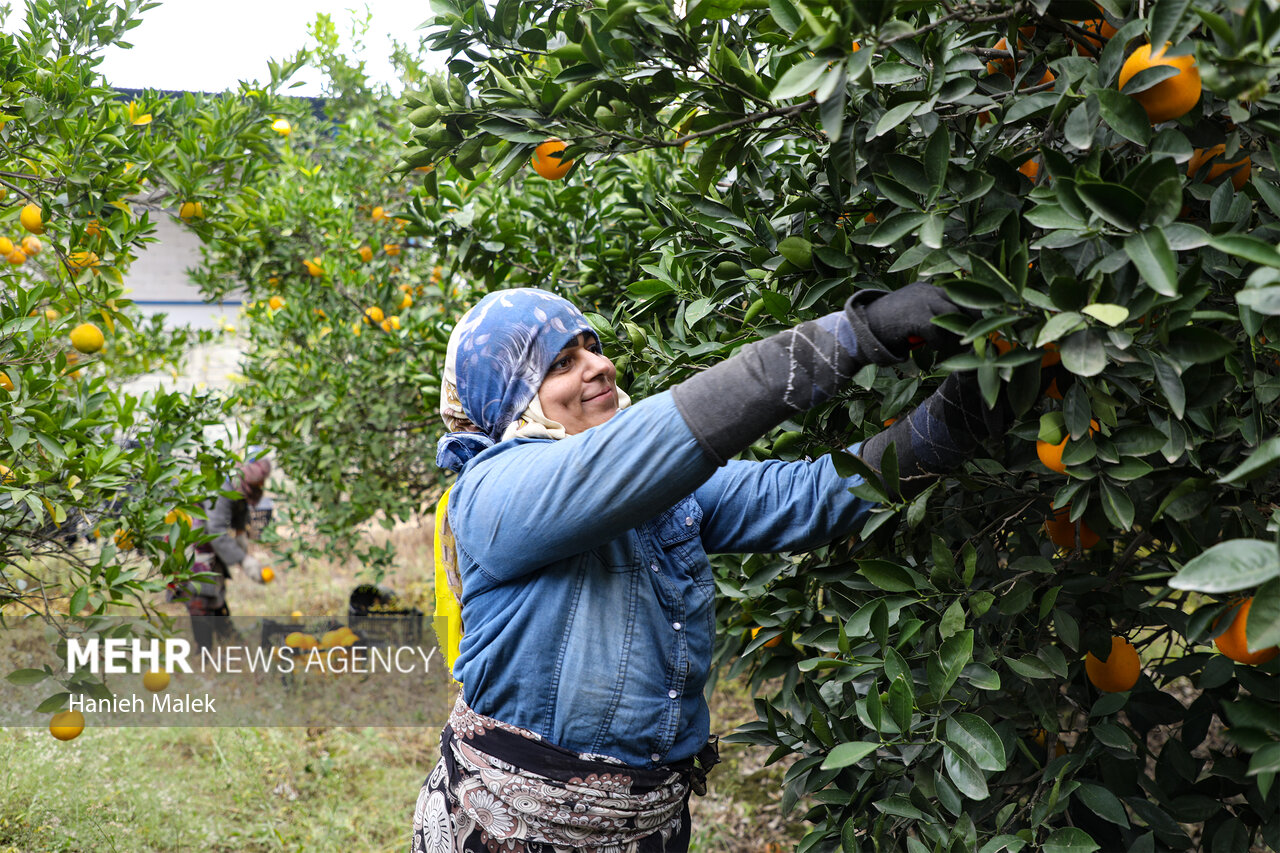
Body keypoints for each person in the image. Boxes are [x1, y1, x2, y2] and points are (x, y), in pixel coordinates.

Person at [413, 285, 1017, 853]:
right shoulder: (493, 493)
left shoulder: (656, 488)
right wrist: (858, 334)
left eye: (591, 349)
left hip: (648, 823)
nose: (596, 366)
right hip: (514, 825)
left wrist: (963, 415)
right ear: (509, 397)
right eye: (560, 364)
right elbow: (664, 437)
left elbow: (808, 495)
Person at [170, 458, 272, 649]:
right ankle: (204, 650)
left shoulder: (240, 485)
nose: (259, 486)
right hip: (191, 536)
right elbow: (216, 532)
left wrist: (241, 532)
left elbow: (241, 506)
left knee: (214, 582)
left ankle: (227, 635)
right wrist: (245, 560)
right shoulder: (223, 487)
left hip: (206, 536)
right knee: (199, 588)